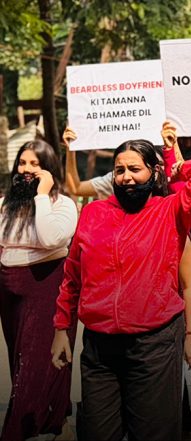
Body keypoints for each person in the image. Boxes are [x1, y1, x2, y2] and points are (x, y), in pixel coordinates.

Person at [51, 139, 191, 440]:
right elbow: (72, 276)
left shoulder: (171, 211)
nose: (126, 176)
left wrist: (177, 166)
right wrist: (62, 328)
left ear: (154, 173)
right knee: (97, 433)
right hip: (99, 349)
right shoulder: (92, 213)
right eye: (119, 170)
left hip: (154, 346)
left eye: (134, 169)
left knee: (153, 433)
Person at [0, 140, 77, 440]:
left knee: (37, 362)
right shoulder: (7, 204)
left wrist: (42, 196)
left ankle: (27, 430)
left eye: (35, 164)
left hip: (45, 287)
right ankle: (42, 423)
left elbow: (49, 238)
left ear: (50, 169)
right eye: (23, 163)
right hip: (9, 289)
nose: (27, 170)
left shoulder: (63, 204)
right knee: (20, 360)